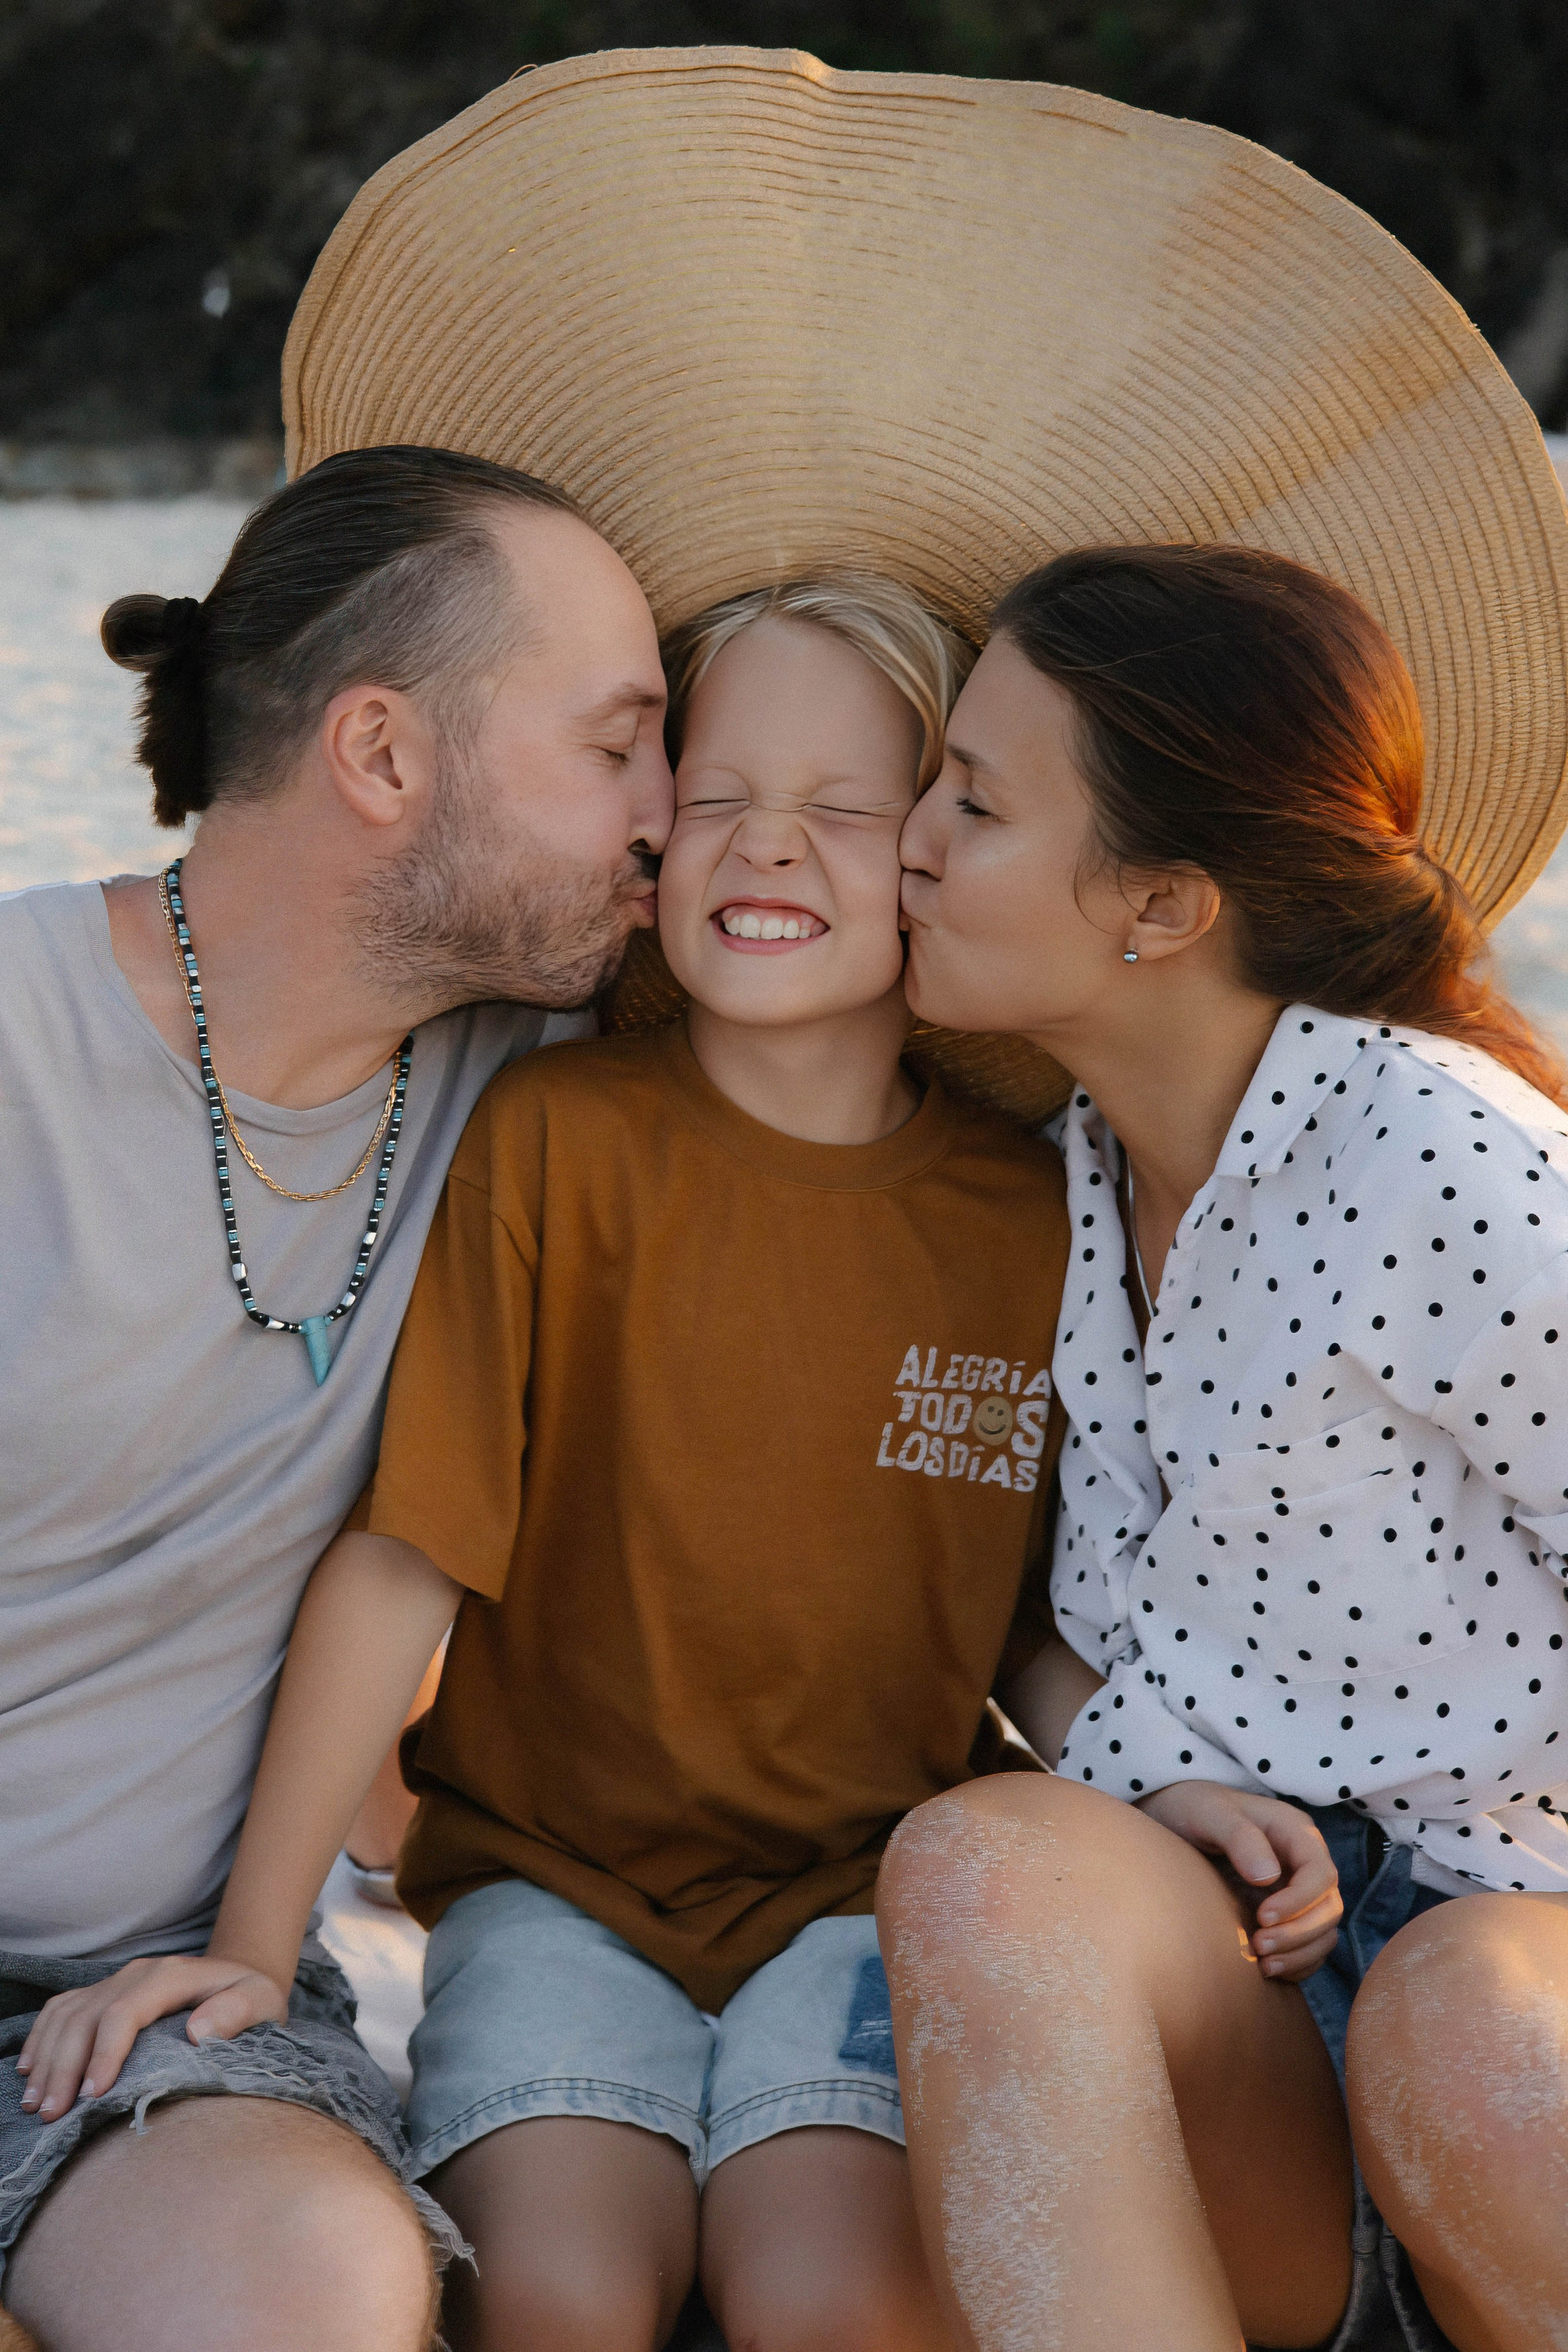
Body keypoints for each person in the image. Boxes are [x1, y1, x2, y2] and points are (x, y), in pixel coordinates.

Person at [21, 573, 1082, 2352]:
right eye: (718, 796)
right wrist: (259, 1942)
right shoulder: (552, 1132)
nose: (766, 849)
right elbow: (403, 1552)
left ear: (934, 847)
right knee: (565, 2295)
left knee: (838, 2299)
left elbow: (1039, 1627)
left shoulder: (1032, 1214)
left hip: (857, 1900)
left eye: (842, 810)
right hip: (547, 1896)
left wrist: (1171, 1791)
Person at [0, 444, 673, 2352]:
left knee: (310, 2291)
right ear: (383, 757)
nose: (670, 808)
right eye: (617, 742)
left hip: (175, 2008)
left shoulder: (538, 1081)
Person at [881, 542, 1568, 2352]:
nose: (912, 842)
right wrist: (1145, 1759)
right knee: (985, 1865)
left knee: (1461, 2029)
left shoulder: (1447, 1166)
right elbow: (1062, 1637)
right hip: (1253, 2025)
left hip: (1526, 2000)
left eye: (973, 800)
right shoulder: (1062, 1195)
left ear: (1163, 908)